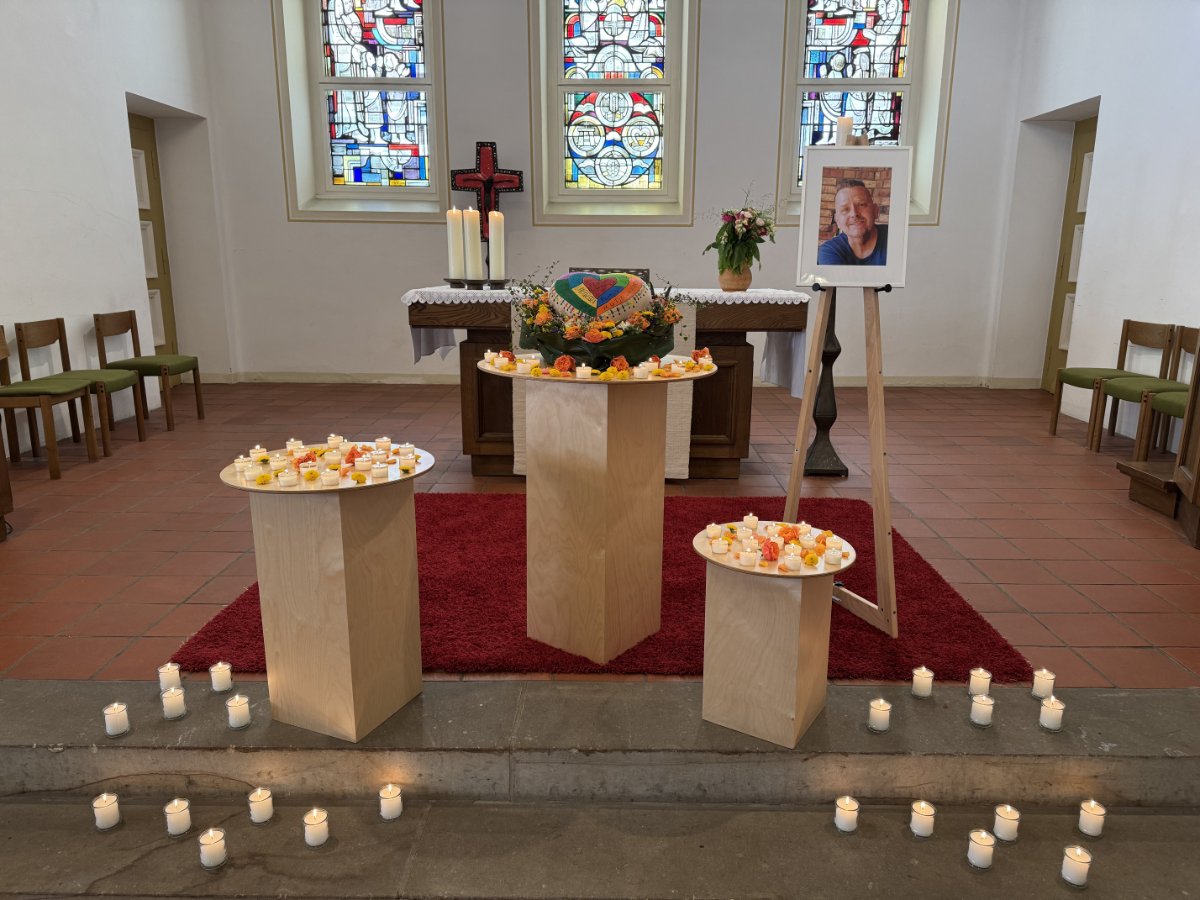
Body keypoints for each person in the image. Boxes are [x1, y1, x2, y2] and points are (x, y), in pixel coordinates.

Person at [817, 178, 888, 266]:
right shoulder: (829, 251)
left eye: (861, 205)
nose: (854, 214)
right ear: (837, 220)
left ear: (875, 211)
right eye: (845, 209)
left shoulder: (895, 238)